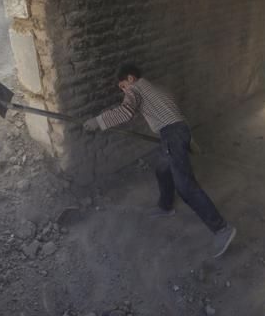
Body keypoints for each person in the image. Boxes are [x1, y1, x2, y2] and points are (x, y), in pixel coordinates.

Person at [83, 64, 236, 258]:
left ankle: (222, 229)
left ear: (130, 79)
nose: (123, 90)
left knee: (185, 186)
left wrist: (98, 121)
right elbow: (172, 112)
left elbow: (126, 111)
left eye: (122, 86)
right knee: (163, 170)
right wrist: (185, 137)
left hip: (171, 134)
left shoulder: (135, 88)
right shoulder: (157, 88)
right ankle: (166, 206)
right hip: (177, 131)